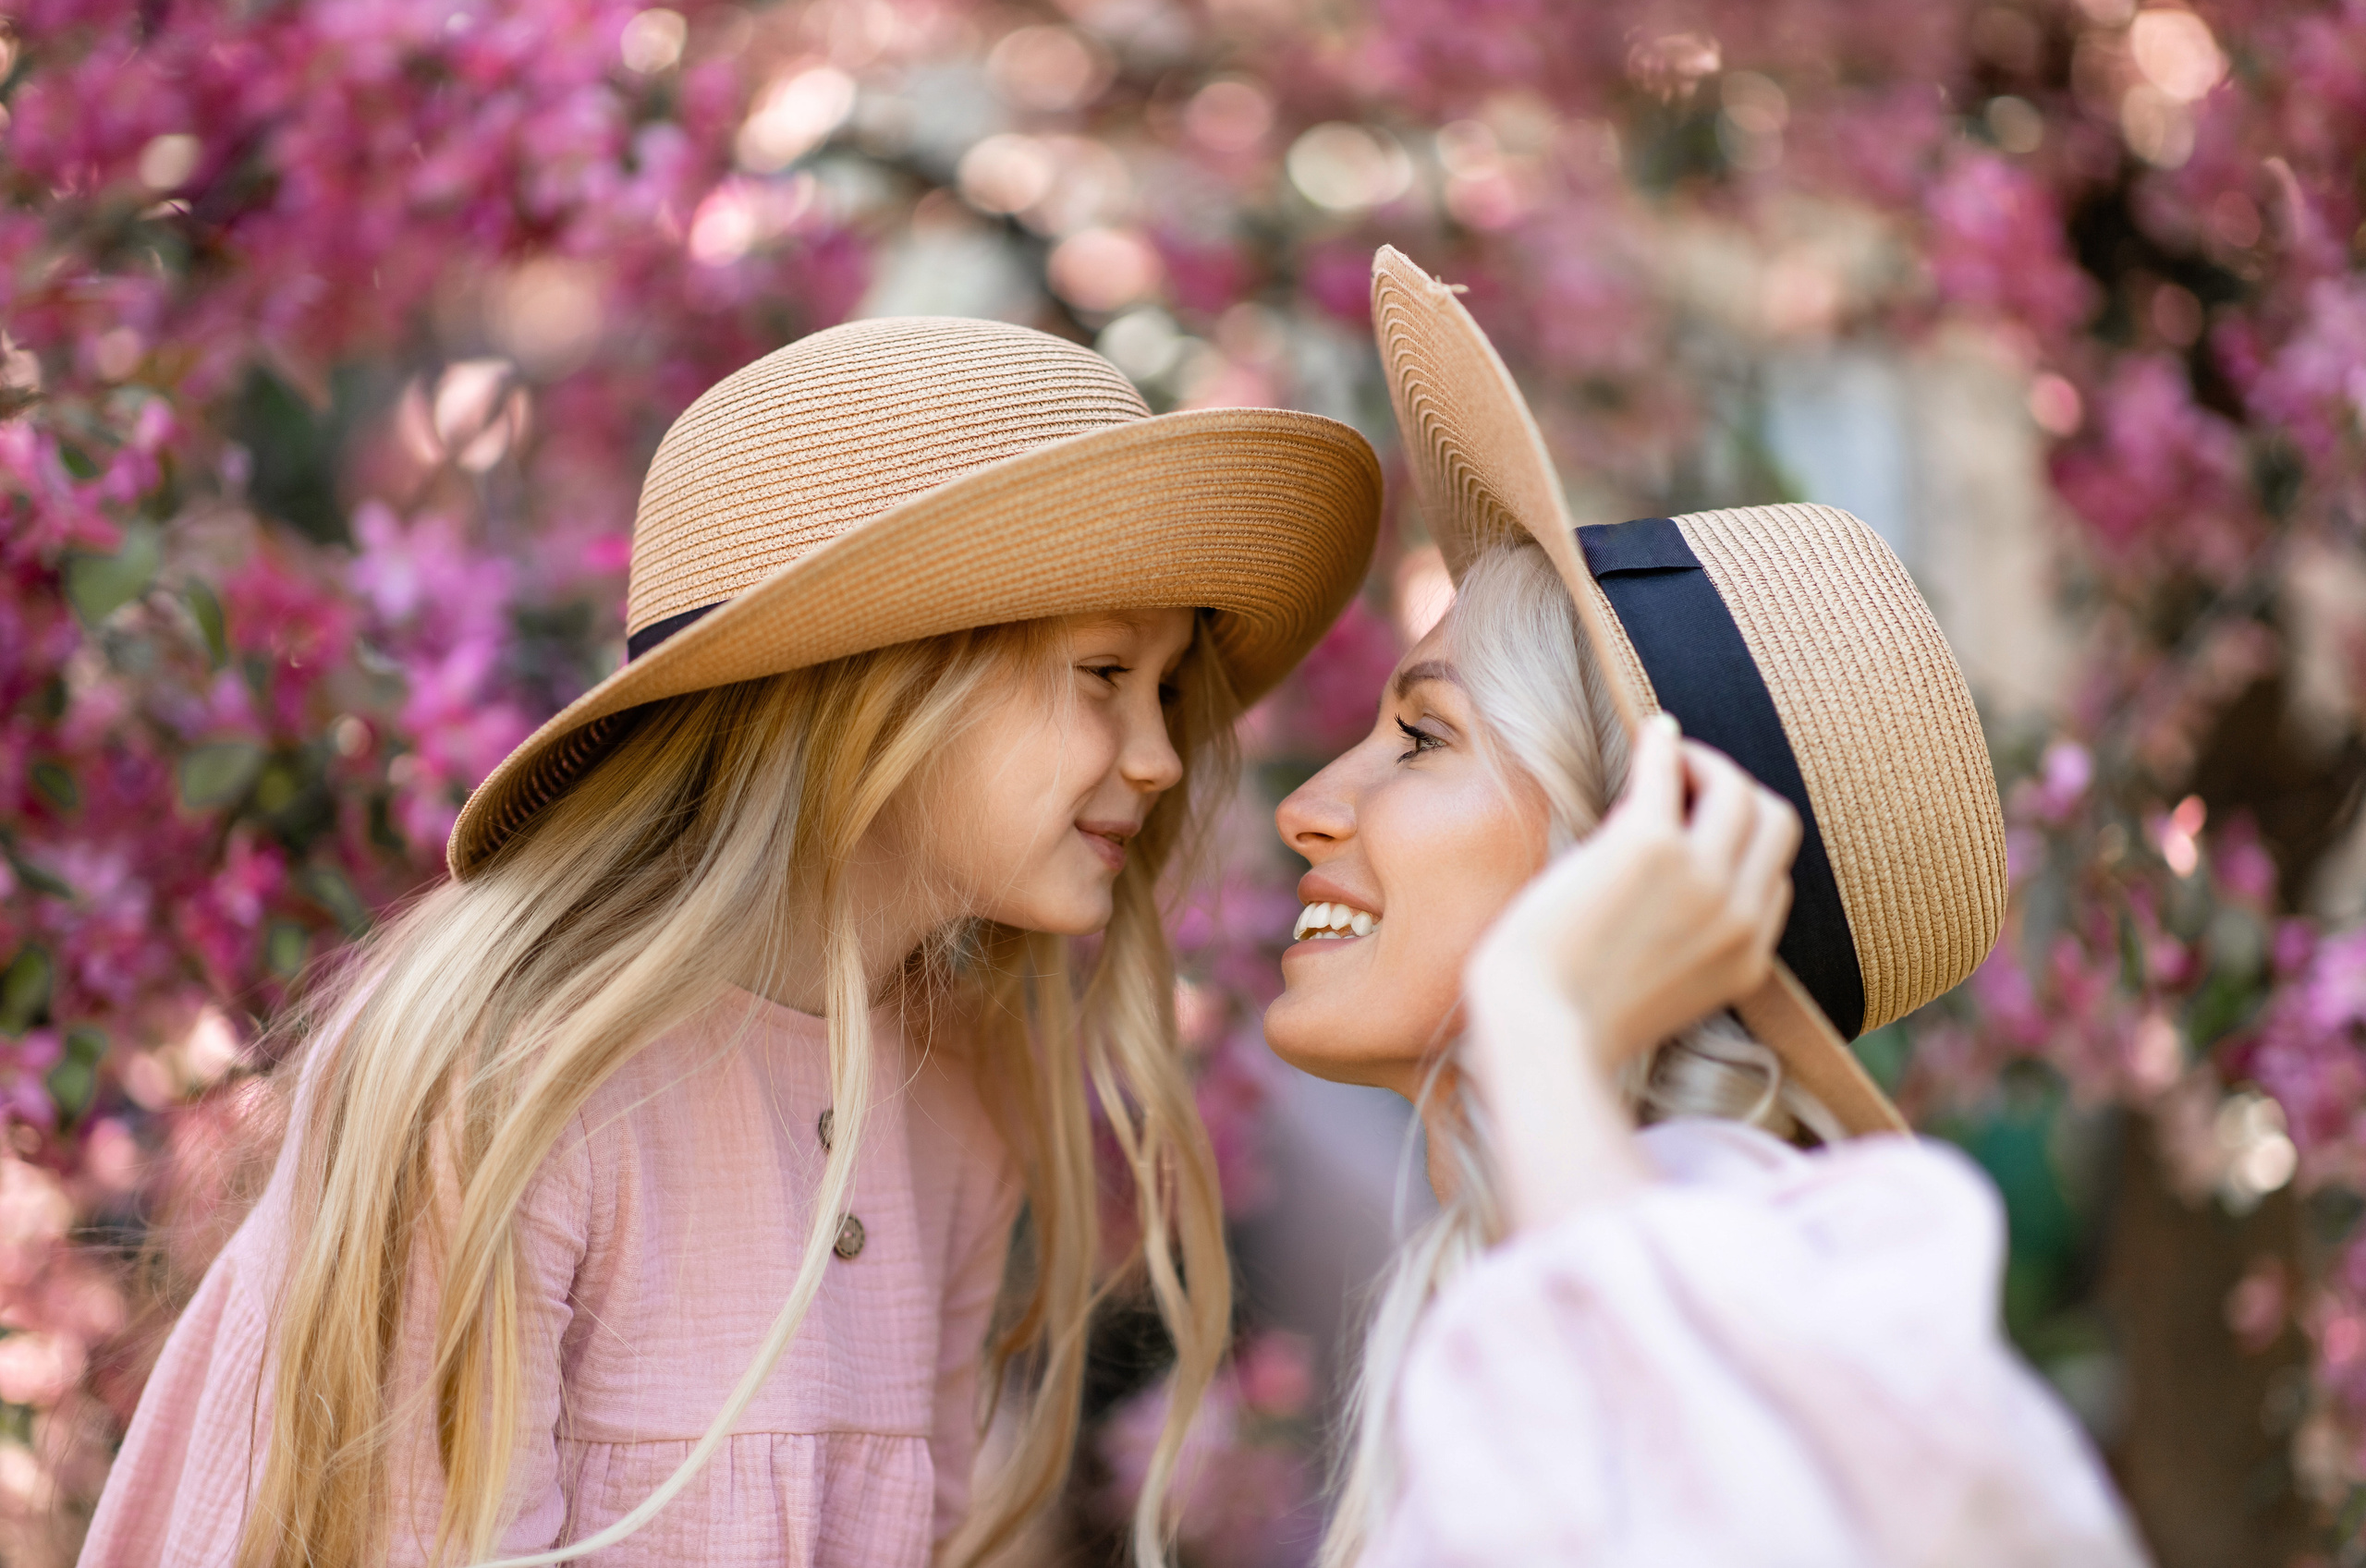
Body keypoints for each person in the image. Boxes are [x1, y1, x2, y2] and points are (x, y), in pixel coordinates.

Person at [79, 317, 1381, 1568]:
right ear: (873, 680)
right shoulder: (524, 1085)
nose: (1158, 757)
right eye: (1103, 674)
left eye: (1165, 692)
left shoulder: (955, 1108)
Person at [1258, 249, 2152, 1566]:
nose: (1311, 804)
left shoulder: (1807, 1278)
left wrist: (1541, 1026)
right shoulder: (1533, 1266)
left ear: (1634, 855)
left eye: (1425, 738)